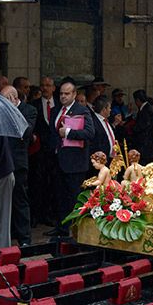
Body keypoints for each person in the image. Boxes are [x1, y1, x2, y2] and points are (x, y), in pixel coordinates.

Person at [47, 78, 96, 241]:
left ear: (74, 94)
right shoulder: (56, 111)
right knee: (59, 196)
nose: (63, 96)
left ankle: (74, 228)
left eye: (67, 94)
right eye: (61, 93)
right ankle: (61, 227)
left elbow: (90, 133)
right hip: (58, 160)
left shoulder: (81, 110)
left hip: (75, 162)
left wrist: (68, 132)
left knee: (73, 197)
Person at [1, 85, 36, 247]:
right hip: (1, 162)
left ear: (14, 98)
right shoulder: (1, 110)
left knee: (19, 199)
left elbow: (26, 131)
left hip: (18, 162)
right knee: (3, 201)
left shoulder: (28, 110)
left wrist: (13, 111)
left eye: (5, 99)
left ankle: (24, 237)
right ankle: (3, 234)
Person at [30, 76, 59, 227]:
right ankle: (36, 215)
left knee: (52, 184)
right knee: (37, 184)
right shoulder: (33, 105)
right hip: (39, 152)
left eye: (49, 85)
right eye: (43, 85)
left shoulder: (60, 105)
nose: (45, 88)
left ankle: (49, 214)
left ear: (54, 88)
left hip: (55, 152)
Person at [89, 95, 119, 166]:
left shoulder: (105, 120)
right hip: (100, 162)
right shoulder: (93, 122)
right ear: (104, 109)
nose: (110, 110)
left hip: (111, 160)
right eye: (109, 108)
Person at [129, 90, 153, 161]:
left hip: (145, 145)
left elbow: (142, 126)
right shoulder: (145, 108)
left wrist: (132, 128)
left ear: (137, 100)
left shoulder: (146, 110)